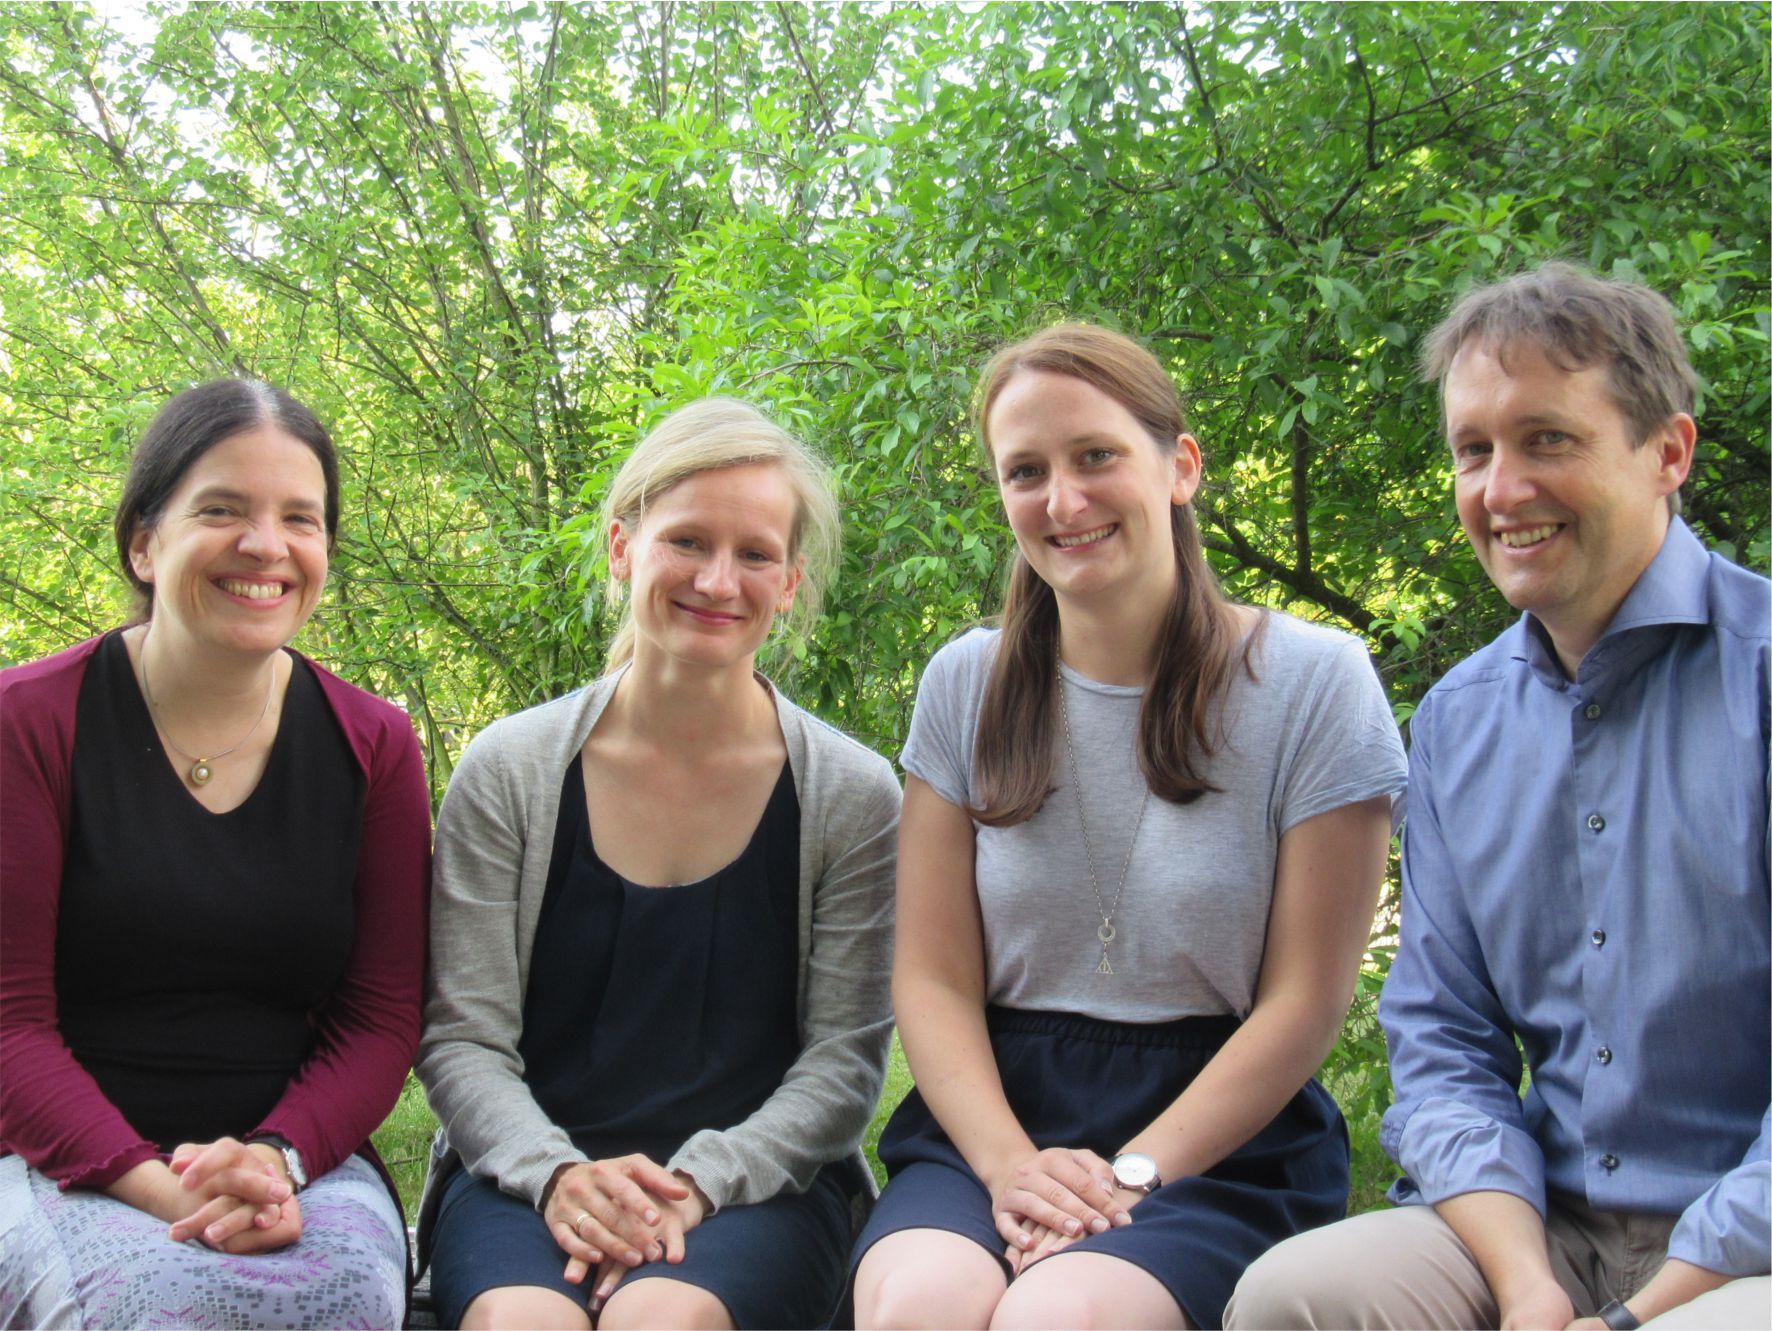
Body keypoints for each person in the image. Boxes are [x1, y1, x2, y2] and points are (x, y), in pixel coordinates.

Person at [1225, 263, 1770, 1330]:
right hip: (1547, 1229)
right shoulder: (1456, 722)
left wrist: (1647, 1306)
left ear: (1668, 451)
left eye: (1546, 439)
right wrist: (1525, 1289)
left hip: (1746, 1245)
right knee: (1292, 1297)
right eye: (1472, 449)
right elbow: (1438, 1040)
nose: (1500, 488)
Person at [847, 323, 1408, 1331]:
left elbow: (1303, 1001)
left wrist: (1132, 1171)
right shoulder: (963, 684)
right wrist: (1010, 1164)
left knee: (1060, 1316)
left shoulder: (1315, 684)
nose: (1061, 501)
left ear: (1179, 465)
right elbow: (928, 976)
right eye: (1025, 471)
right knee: (918, 1304)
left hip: (1218, 1136)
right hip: (992, 1116)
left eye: (1094, 455)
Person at [414, 397, 900, 1331]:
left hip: (759, 1190)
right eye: (687, 540)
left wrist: (695, 1184)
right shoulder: (510, 771)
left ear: (791, 581)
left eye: (755, 553)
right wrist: (560, 1176)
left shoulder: (852, 795)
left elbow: (842, 1067)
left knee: (661, 1323)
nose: (719, 580)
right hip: (525, 1178)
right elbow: (463, 1038)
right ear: (621, 547)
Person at [0, 380, 432, 1329]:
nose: (265, 545)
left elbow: (381, 1018)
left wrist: (274, 1162)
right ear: (144, 542)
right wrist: (169, 1190)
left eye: (299, 518)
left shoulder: (375, 742)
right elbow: (9, 1025)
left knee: (342, 1299)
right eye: (222, 510)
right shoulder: (27, 723)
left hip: (294, 1164)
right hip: (47, 1156)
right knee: (152, 1304)